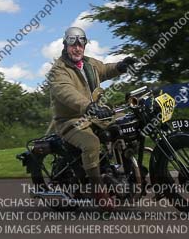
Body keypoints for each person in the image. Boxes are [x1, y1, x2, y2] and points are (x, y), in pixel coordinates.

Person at [47, 26, 134, 205]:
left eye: (81, 44)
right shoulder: (58, 70)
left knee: (126, 125)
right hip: (70, 120)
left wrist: (121, 66)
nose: (77, 48)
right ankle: (98, 191)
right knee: (91, 143)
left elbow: (105, 69)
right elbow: (66, 92)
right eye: (73, 44)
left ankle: (126, 173)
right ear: (65, 45)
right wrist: (88, 106)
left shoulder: (89, 63)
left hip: (94, 115)